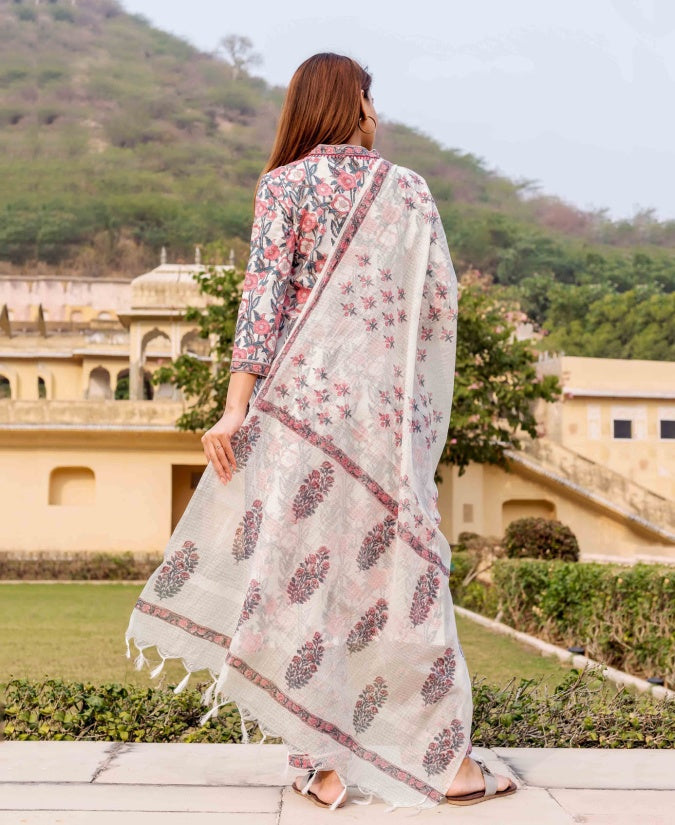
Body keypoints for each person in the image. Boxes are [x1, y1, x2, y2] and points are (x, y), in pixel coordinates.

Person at [125, 52, 516, 812]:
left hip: (300, 418)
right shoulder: (408, 191)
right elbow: (436, 311)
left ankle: (326, 767)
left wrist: (235, 409)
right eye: (369, 98)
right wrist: (407, 412)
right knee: (402, 578)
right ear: (351, 105)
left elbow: (263, 301)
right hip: (383, 427)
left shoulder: (283, 186)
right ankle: (449, 766)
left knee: (301, 580)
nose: (376, 113)